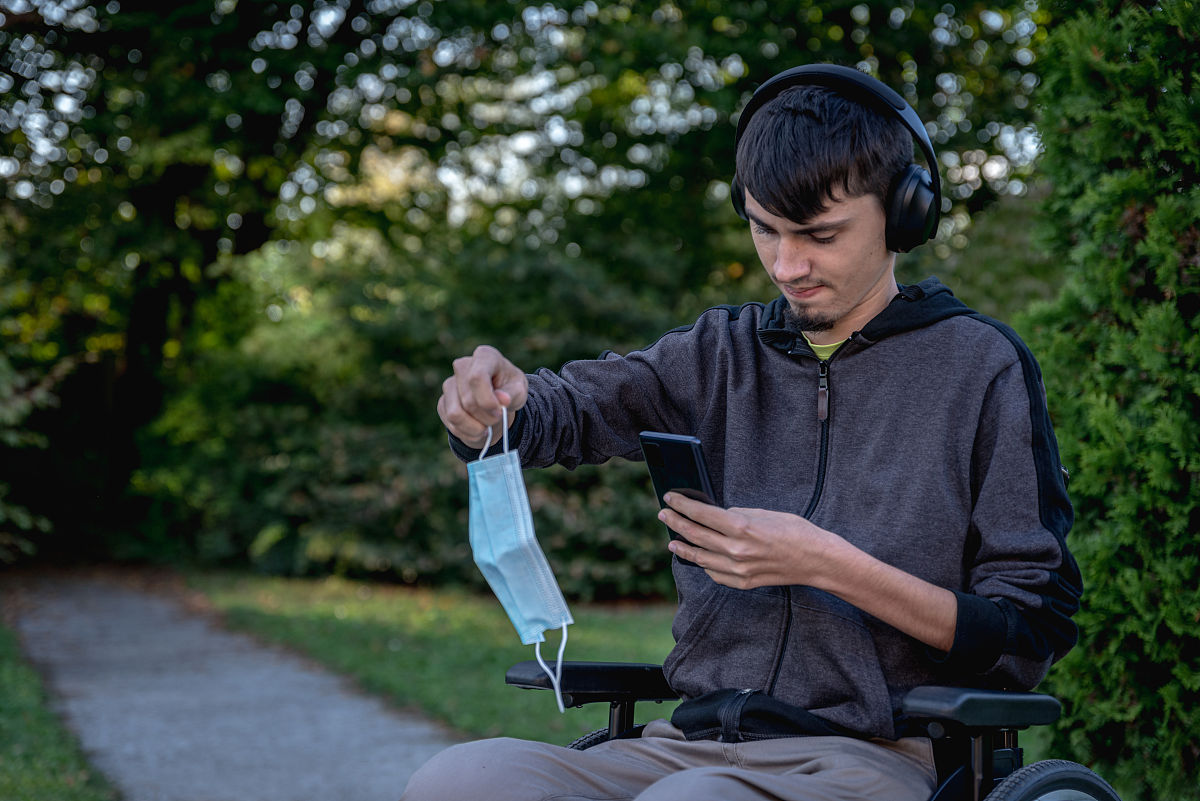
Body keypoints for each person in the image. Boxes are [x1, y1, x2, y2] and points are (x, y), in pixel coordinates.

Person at [404, 64, 1081, 801]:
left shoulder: (980, 367)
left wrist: (826, 563)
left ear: (904, 213)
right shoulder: (715, 353)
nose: (788, 265)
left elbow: (1028, 624)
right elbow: (569, 411)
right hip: (688, 746)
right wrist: (497, 407)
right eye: (765, 229)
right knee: (457, 779)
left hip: (873, 757)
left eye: (820, 234)